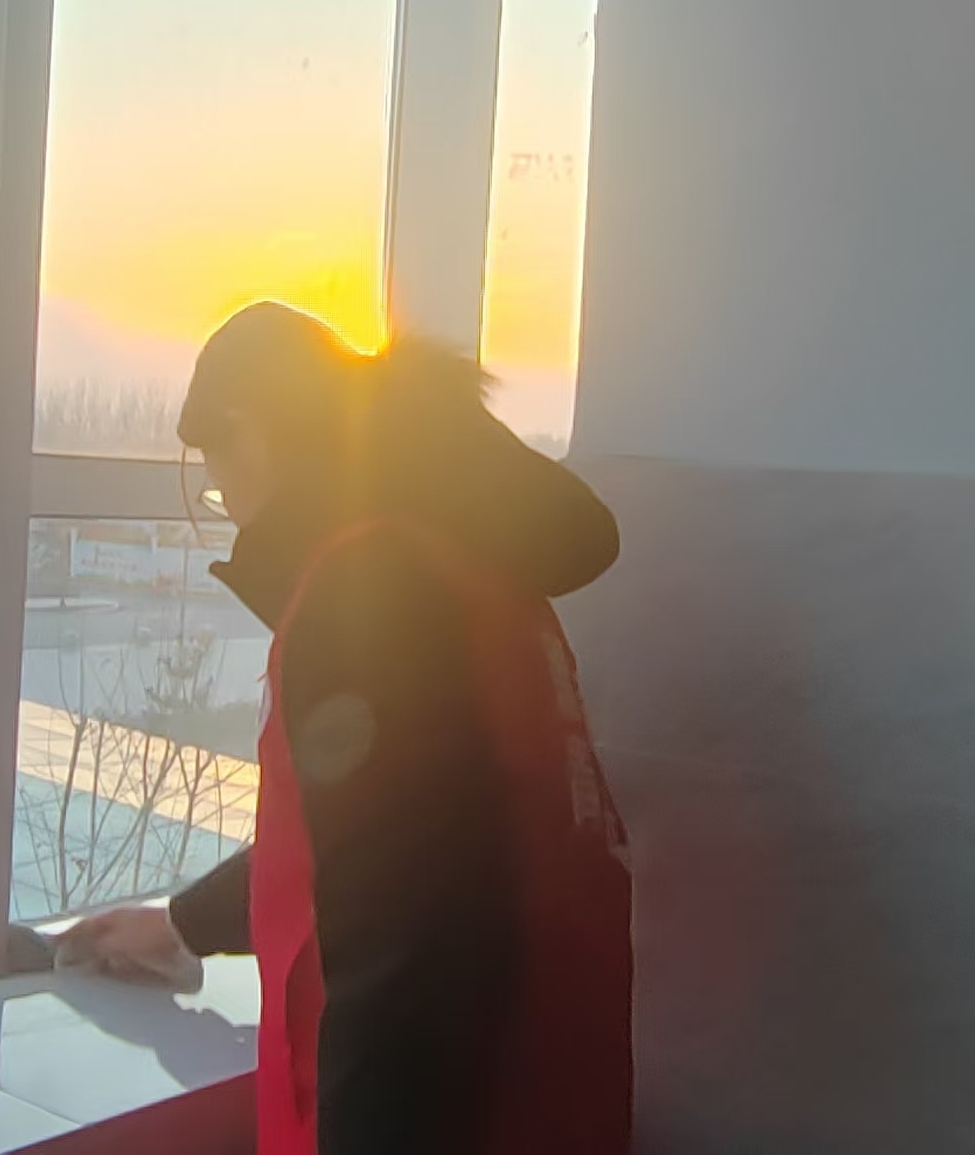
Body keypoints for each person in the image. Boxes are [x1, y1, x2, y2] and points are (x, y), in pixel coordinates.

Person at [56, 302, 633, 1154]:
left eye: (217, 483)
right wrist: (184, 923)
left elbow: (399, 932)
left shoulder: (370, 594)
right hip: (542, 1087)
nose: (231, 510)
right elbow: (383, 841)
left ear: (251, 432)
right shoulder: (465, 565)